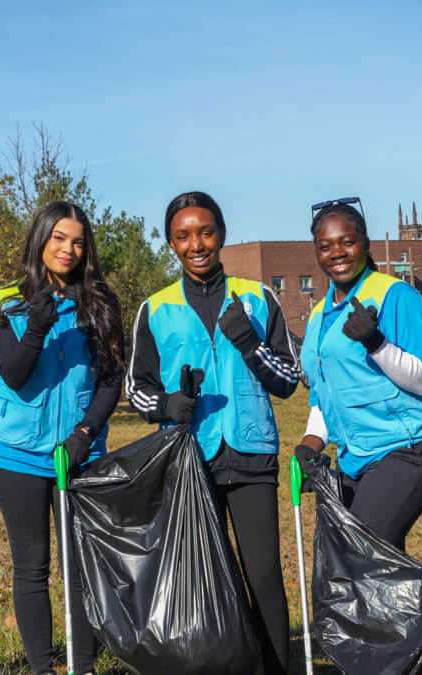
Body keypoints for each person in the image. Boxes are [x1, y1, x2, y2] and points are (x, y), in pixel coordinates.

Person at [125, 190, 300, 675]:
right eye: (183, 236)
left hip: (250, 453)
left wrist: (249, 344)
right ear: (171, 244)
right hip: (187, 461)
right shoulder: (154, 309)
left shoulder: (258, 298)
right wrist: (167, 404)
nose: (196, 244)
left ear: (220, 233)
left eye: (205, 232)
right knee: (207, 580)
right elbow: (134, 390)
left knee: (263, 574)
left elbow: (288, 380)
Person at [0, 201, 124, 675]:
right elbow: (16, 374)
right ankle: (44, 669)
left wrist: (86, 432)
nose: (68, 249)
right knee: (32, 568)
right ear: (41, 238)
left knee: (80, 569)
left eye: (78, 241)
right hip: (17, 455)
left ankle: (81, 667)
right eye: (59, 237)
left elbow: (111, 380)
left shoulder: (100, 301)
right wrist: (38, 326)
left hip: (78, 454)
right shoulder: (5, 300)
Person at [294, 198, 422, 551]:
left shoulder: (395, 295)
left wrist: (375, 342)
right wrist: (310, 442)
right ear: (317, 253)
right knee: (362, 563)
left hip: (408, 447)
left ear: (365, 243)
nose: (338, 253)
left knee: (362, 552)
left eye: (347, 242)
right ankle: (413, 608)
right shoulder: (319, 315)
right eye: (326, 246)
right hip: (356, 456)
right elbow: (326, 392)